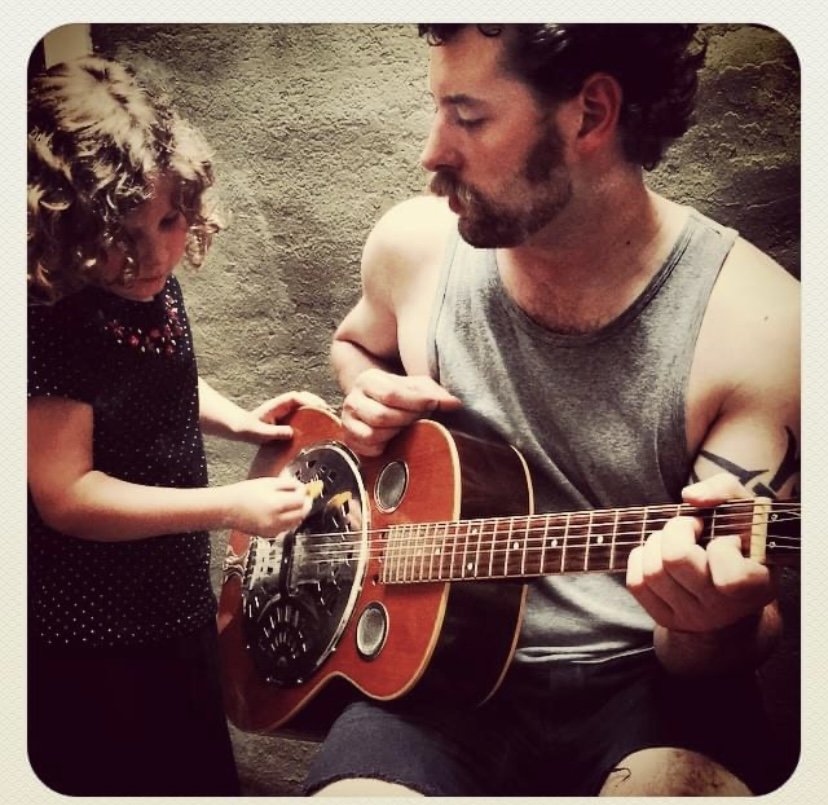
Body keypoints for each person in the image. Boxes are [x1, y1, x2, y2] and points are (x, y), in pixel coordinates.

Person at [305, 24, 800, 797]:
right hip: (432, 668)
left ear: (592, 113)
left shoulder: (761, 328)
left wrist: (711, 620)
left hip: (648, 676)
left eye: (468, 118)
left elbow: (728, 627)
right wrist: (362, 386)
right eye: (437, 110)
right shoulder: (412, 244)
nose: (431, 152)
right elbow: (354, 343)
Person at [27, 55, 327, 796]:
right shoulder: (49, 321)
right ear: (64, 224)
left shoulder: (149, 287)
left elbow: (158, 379)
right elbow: (67, 494)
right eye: (123, 233)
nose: (157, 252)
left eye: (170, 218)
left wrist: (239, 420)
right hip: (89, 638)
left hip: (169, 603)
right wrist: (229, 505)